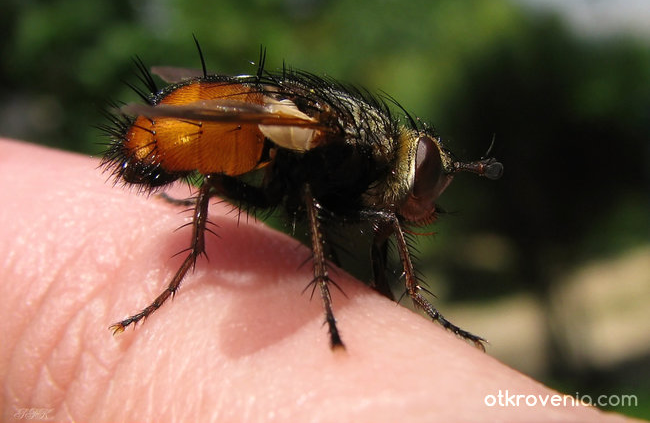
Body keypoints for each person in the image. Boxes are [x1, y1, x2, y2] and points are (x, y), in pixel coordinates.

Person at [0, 138, 631, 422]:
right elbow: (300, 182)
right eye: (432, 178)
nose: (428, 198)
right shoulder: (351, 150)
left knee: (319, 192)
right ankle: (187, 279)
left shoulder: (364, 159)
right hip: (182, 135)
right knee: (304, 183)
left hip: (190, 131)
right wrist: (327, 297)